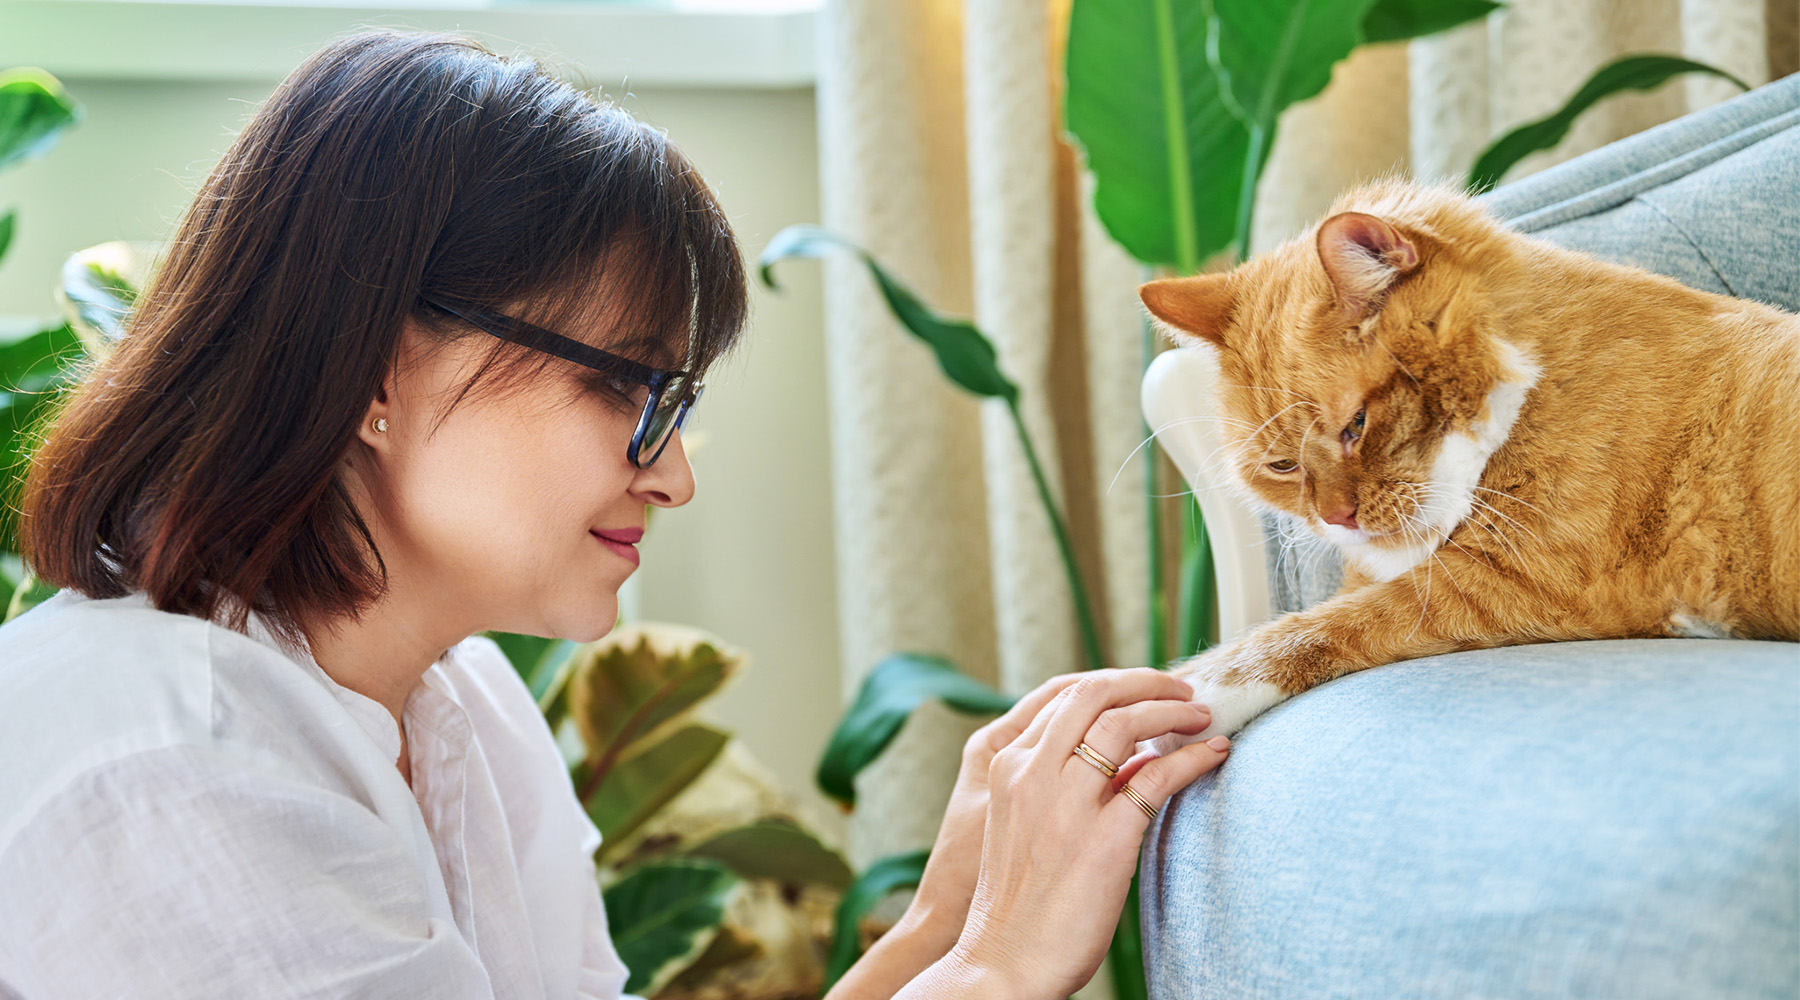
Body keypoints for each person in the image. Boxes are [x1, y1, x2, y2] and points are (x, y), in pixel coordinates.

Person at [0, 30, 1230, 1000]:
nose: (674, 472)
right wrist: (1001, 966)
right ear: (376, 364)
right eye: (625, 385)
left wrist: (946, 917)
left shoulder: (458, 707)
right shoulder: (168, 759)